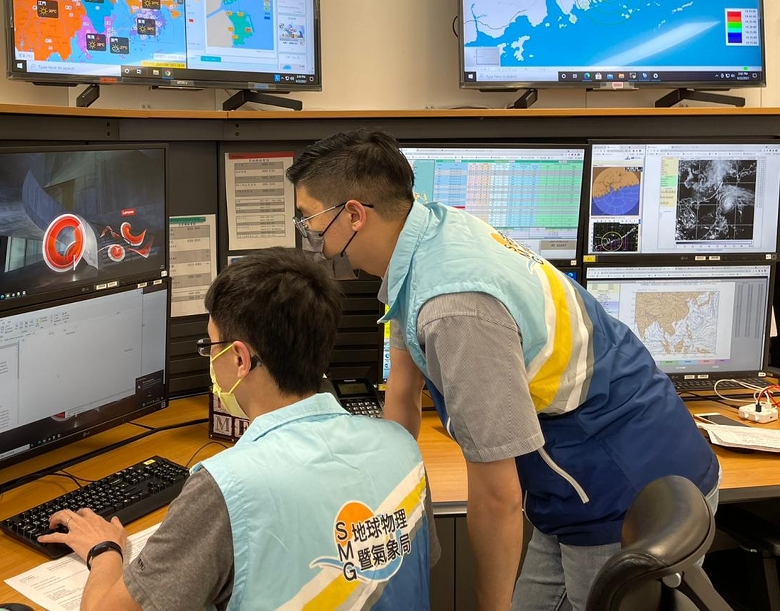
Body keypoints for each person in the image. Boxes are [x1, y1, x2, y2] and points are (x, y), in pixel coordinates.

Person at [287, 130, 719, 611]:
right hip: (573, 480)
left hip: (621, 484)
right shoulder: (425, 230)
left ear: (353, 214)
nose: (311, 237)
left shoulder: (455, 307)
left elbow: (497, 496)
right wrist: (383, 490)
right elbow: (403, 394)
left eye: (310, 218)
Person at [38, 247, 434, 611]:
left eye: (212, 346)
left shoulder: (227, 486)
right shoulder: (401, 448)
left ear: (240, 359)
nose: (210, 359)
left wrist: (105, 551)